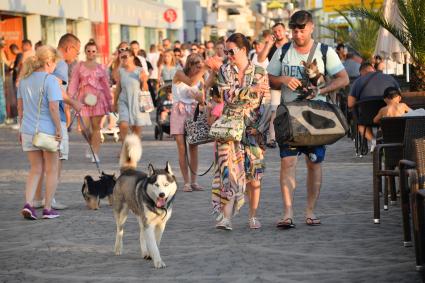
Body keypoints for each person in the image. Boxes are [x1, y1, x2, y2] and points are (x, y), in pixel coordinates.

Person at [267, 10, 349, 228]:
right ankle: (287, 213)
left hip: (315, 117)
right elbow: (269, 79)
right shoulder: (283, 51)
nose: (297, 33)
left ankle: (310, 211)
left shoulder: (324, 51)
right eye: (294, 29)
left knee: (314, 163)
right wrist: (283, 79)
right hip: (288, 117)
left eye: (301, 29)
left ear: (311, 27)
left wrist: (321, 87)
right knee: (287, 162)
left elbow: (343, 79)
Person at [209, 33, 270, 231]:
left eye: (231, 51)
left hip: (253, 129)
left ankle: (252, 216)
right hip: (229, 128)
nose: (228, 55)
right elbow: (227, 97)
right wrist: (251, 89)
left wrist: (262, 128)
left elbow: (266, 102)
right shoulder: (224, 70)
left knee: (254, 176)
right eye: (226, 51)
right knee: (228, 172)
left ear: (243, 50)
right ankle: (226, 218)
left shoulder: (260, 71)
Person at [33, 33, 82, 210]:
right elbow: (56, 88)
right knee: (57, 160)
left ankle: (38, 198)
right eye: (77, 51)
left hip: (40, 116)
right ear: (68, 48)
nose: (77, 56)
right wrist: (73, 102)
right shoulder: (60, 63)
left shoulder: (47, 61)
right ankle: (50, 199)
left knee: (41, 162)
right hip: (55, 117)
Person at [17, 45, 62, 220]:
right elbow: (53, 107)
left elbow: (20, 109)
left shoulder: (24, 80)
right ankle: (48, 208)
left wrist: (21, 129)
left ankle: (29, 203)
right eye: (54, 63)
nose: (55, 67)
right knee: (51, 169)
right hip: (47, 131)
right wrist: (59, 128)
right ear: (49, 62)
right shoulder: (50, 80)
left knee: (35, 169)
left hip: (28, 130)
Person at [68, 39, 112, 163]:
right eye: (88, 51)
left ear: (96, 52)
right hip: (83, 100)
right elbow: (74, 83)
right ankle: (92, 144)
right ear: (85, 52)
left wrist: (110, 101)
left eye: (93, 51)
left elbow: (105, 85)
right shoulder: (79, 66)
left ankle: (95, 153)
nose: (91, 53)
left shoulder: (101, 68)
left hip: (98, 99)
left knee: (96, 127)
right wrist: (70, 98)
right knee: (84, 128)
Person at [171, 53, 206, 192]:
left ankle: (194, 181)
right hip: (178, 110)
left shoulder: (200, 78)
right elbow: (190, 83)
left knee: (193, 146)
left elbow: (201, 96)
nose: (199, 69)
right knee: (181, 147)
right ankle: (186, 182)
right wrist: (205, 69)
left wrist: (200, 98)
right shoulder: (179, 73)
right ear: (190, 65)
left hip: (192, 111)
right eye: (197, 66)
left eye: (201, 67)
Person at [348, 61, 399, 143]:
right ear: (373, 69)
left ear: (361, 72)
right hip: (388, 116)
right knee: (385, 120)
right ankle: (385, 140)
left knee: (360, 124)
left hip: (367, 117)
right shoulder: (389, 78)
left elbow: (350, 104)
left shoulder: (358, 81)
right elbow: (399, 96)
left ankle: (373, 141)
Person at [257, 23, 288, 148]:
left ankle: (289, 134)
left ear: (285, 31)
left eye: (280, 30)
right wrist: (268, 44)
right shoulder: (271, 46)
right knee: (274, 108)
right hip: (275, 81)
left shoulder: (291, 45)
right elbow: (260, 59)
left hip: (290, 80)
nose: (278, 33)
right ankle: (272, 137)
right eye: (275, 31)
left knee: (289, 108)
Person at [114, 48, 151, 141]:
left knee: (136, 130)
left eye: (125, 56)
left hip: (137, 103)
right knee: (123, 125)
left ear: (132, 57)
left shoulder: (140, 70)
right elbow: (118, 88)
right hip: (124, 101)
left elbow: (145, 89)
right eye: (121, 57)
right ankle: (124, 148)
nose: (123, 59)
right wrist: (114, 103)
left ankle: (135, 151)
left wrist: (143, 81)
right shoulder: (121, 71)